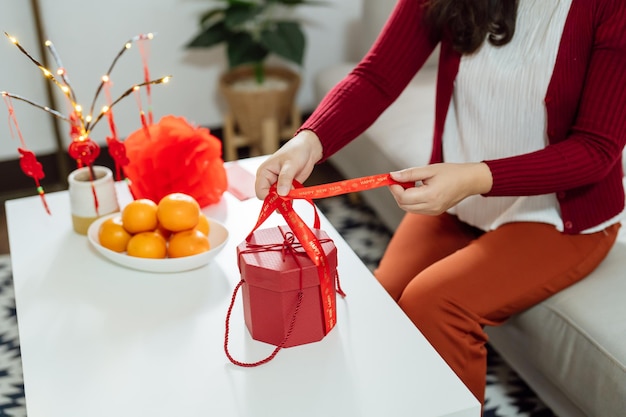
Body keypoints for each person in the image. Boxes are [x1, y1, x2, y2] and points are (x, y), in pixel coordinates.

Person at [255, 0, 626, 405]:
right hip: (461, 202)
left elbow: (596, 149)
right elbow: (377, 75)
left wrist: (472, 178)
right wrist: (308, 140)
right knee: (382, 305)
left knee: (435, 305)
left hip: (560, 215)